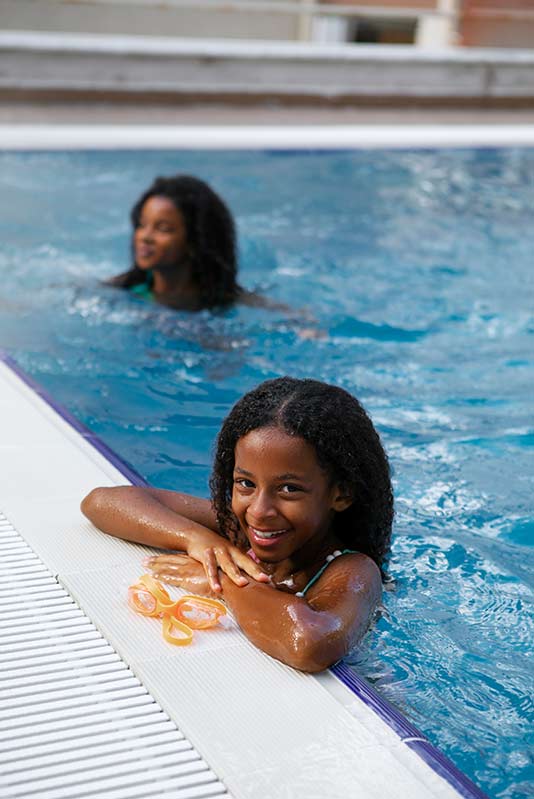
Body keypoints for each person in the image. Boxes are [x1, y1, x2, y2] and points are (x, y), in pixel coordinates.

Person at [81, 377, 393, 672]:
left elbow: (309, 644)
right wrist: (196, 539)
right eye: (245, 483)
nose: (259, 511)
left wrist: (225, 581)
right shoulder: (240, 532)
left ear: (341, 494)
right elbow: (102, 502)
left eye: (289, 489)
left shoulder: (353, 570)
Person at [106, 174, 244, 311]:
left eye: (163, 229)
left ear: (195, 241)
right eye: (142, 225)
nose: (145, 237)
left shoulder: (233, 304)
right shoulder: (117, 293)